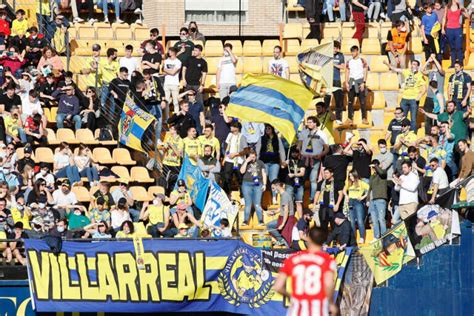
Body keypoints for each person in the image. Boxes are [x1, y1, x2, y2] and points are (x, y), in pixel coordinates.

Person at [273, 227, 337, 316]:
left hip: (297, 310)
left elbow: (278, 286)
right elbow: (329, 285)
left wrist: (291, 297)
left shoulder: (292, 259)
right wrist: (331, 304)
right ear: (324, 240)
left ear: (308, 238)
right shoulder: (328, 260)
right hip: (318, 310)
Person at [385, 60, 426, 131]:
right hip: (404, 98)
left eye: (415, 64)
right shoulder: (407, 71)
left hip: (413, 99)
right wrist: (387, 64)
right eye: (412, 64)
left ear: (418, 66)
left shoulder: (420, 75)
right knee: (403, 117)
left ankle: (412, 134)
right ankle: (402, 133)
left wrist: (419, 96)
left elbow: (424, 88)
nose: (413, 66)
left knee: (413, 118)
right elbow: (395, 69)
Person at [298, 116, 329, 201]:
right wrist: (300, 151)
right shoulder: (303, 132)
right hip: (304, 158)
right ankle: (300, 197)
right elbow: (299, 144)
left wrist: (320, 155)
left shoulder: (322, 134)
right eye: (307, 122)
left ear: (315, 123)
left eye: (310, 122)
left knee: (313, 179)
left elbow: (327, 148)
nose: (308, 124)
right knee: (302, 178)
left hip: (315, 158)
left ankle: (312, 198)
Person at [240, 150, 266, 226]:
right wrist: (246, 161)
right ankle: (245, 221)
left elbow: (264, 173)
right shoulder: (246, 162)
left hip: (258, 184)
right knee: (248, 204)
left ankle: (261, 221)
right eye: (251, 157)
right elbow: (242, 171)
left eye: (254, 157)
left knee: (257, 203)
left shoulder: (260, 163)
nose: (252, 158)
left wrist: (264, 184)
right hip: (246, 184)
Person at [259, 124, 285, 200]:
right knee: (263, 178)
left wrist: (283, 161)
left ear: (272, 129)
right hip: (264, 161)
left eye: (269, 128)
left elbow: (281, 150)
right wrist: (257, 161)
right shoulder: (262, 138)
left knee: (273, 179)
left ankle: (274, 196)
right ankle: (262, 197)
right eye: (266, 128)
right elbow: (258, 150)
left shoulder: (277, 138)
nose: (267, 129)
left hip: (275, 162)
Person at [344, 46, 368, 125]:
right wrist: (346, 82)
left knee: (362, 101)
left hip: (360, 81)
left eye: (354, 51)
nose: (352, 53)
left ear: (357, 51)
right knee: (350, 102)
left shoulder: (362, 61)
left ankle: (364, 118)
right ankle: (350, 118)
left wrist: (363, 82)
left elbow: (365, 71)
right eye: (351, 52)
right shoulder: (349, 61)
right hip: (352, 82)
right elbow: (347, 72)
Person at [344, 169, 369, 244]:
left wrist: (363, 197)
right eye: (349, 176)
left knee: (360, 221)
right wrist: (346, 196)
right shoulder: (349, 183)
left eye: (351, 176)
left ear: (355, 175)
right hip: (351, 202)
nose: (350, 177)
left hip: (358, 202)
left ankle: (362, 238)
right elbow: (344, 190)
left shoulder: (361, 183)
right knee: (352, 222)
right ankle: (353, 239)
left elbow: (370, 189)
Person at [222, 121, 248, 194]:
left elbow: (246, 151)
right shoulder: (229, 135)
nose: (231, 127)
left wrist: (235, 154)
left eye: (232, 126)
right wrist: (224, 158)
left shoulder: (242, 137)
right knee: (227, 179)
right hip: (229, 160)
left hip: (239, 161)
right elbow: (227, 147)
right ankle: (227, 196)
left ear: (237, 128)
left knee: (240, 179)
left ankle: (242, 197)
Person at [267, 180, 294, 247]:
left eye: (273, 188)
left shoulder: (284, 196)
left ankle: (284, 243)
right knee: (269, 225)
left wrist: (283, 224)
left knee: (287, 237)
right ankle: (281, 240)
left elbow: (286, 211)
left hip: (286, 219)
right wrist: (274, 212)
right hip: (282, 218)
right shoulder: (283, 195)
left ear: (277, 186)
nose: (273, 190)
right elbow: (282, 208)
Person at [442, 0, 468, 67]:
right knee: (452, 47)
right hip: (449, 29)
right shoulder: (447, 6)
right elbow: (444, 18)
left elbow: (467, 16)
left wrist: (464, 9)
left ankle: (460, 63)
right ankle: (453, 64)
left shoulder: (459, 6)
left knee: (459, 47)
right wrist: (443, 28)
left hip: (458, 29)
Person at [324, 41, 345, 124]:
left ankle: (338, 118)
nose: (335, 49)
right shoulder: (326, 55)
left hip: (336, 80)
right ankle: (325, 116)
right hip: (328, 80)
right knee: (326, 99)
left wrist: (334, 64)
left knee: (338, 100)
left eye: (337, 48)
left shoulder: (340, 55)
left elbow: (343, 66)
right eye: (334, 48)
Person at [368, 160, 388, 239]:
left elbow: (382, 173)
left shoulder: (383, 172)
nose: (373, 168)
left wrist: (376, 166)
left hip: (380, 200)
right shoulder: (372, 176)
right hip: (372, 201)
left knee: (381, 219)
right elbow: (370, 189)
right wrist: (367, 200)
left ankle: (384, 237)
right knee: (374, 220)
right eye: (372, 167)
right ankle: (376, 237)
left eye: (374, 166)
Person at [284, 147, 305, 218]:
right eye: (293, 152)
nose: (294, 154)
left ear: (298, 153)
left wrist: (293, 175)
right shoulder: (288, 161)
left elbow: (302, 173)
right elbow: (282, 166)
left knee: (299, 202)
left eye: (296, 152)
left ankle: (301, 220)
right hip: (289, 184)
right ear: (290, 153)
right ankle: (290, 218)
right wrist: (284, 162)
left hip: (299, 185)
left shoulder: (301, 161)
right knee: (289, 202)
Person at [98, 48, 119, 114]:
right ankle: (104, 114)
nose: (116, 55)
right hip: (105, 84)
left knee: (113, 102)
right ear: (111, 55)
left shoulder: (116, 63)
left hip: (113, 85)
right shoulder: (102, 62)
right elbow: (99, 72)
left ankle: (111, 118)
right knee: (102, 101)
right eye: (115, 54)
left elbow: (118, 74)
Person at [163, 47, 182, 112]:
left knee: (175, 102)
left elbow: (173, 73)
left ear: (174, 52)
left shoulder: (178, 62)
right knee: (166, 102)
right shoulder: (166, 61)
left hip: (175, 84)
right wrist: (168, 71)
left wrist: (166, 70)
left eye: (170, 51)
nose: (169, 52)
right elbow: (164, 72)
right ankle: (166, 119)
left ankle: (176, 117)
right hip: (166, 83)